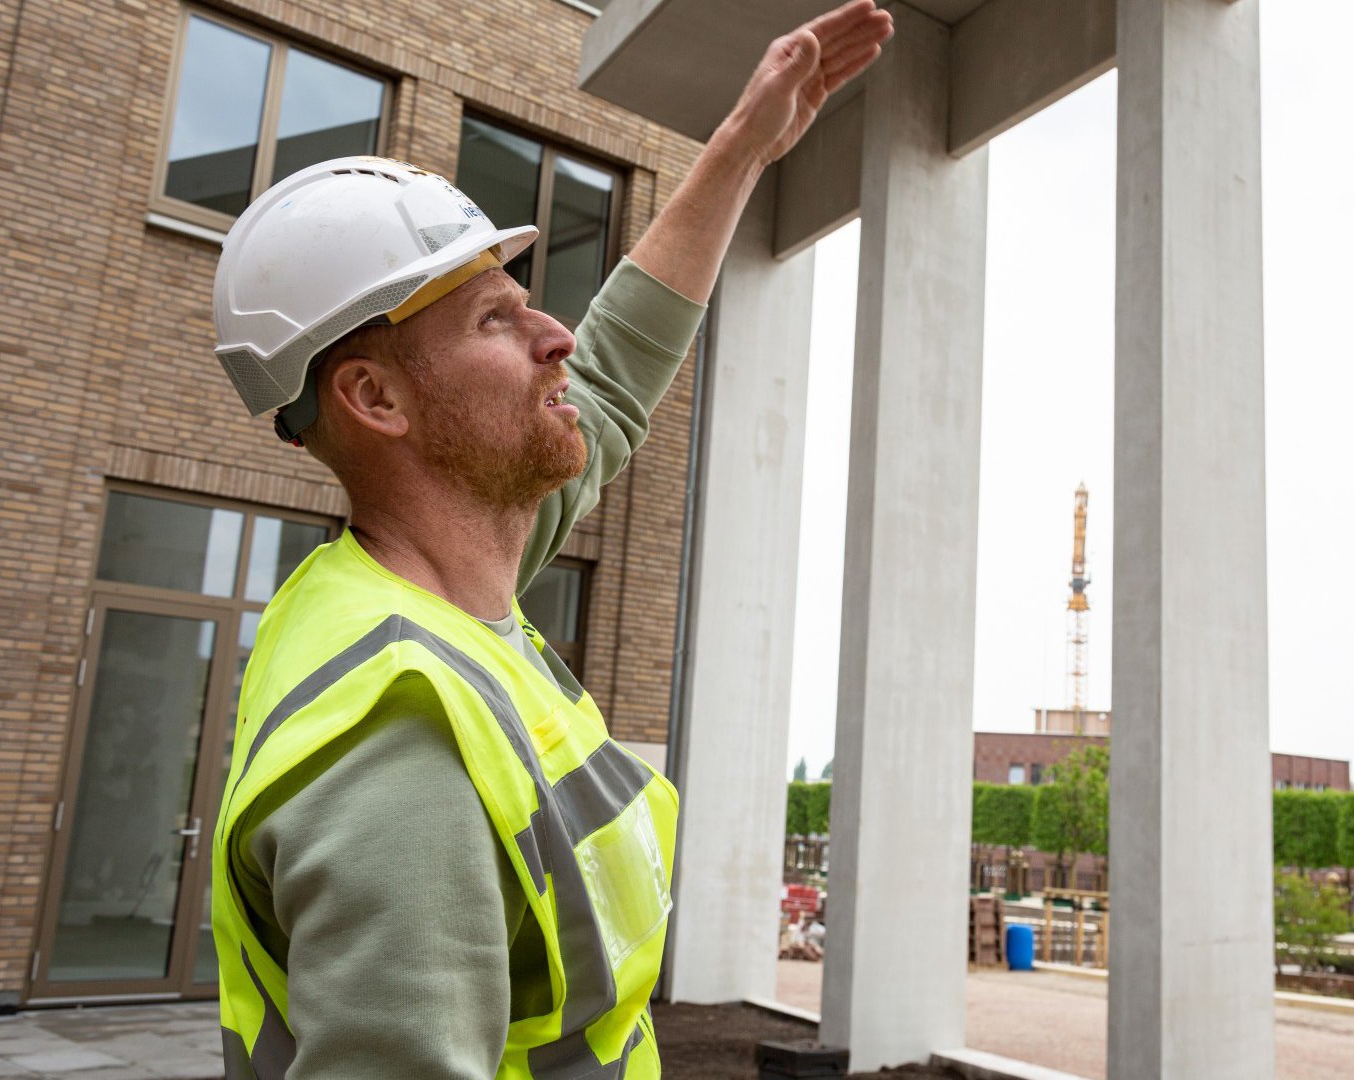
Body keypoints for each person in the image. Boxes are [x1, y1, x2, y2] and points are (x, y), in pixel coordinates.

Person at [206, 4, 894, 1077]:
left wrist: (744, 144)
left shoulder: (444, 589)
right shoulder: (402, 738)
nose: (556, 334)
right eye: (495, 320)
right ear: (375, 395)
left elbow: (611, 376)